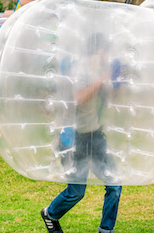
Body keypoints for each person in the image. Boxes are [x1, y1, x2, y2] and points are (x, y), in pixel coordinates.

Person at [41, 33, 122, 233]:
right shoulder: (80, 70)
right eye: (107, 52)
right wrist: (103, 80)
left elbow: (109, 99)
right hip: (75, 138)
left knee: (115, 184)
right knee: (76, 192)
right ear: (99, 51)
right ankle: (50, 213)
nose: (108, 56)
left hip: (96, 135)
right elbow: (79, 97)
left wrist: (114, 82)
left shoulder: (99, 69)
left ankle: (106, 230)